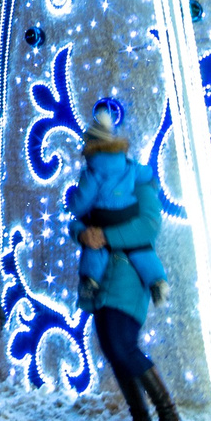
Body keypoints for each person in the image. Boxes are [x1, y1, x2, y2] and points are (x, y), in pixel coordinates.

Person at [72, 121, 186, 421]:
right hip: (100, 275)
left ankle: (170, 417)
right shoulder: (97, 179)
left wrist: (103, 235)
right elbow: (78, 219)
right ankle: (141, 419)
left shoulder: (141, 181)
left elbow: (148, 227)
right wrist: (83, 233)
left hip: (128, 274)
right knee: (111, 346)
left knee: (123, 345)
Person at [64, 112, 166, 309]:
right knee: (140, 248)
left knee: (96, 247)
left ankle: (90, 280)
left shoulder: (92, 171)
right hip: (128, 212)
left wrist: (72, 205)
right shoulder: (127, 163)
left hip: (104, 217)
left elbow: (83, 201)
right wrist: (151, 183)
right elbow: (146, 173)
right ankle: (157, 282)